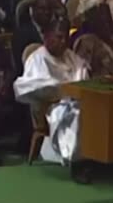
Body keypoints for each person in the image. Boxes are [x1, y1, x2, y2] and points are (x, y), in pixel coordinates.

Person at [14, 20, 89, 165]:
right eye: (59, 37)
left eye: (66, 38)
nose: (63, 42)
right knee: (76, 113)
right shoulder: (38, 58)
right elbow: (32, 86)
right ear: (47, 37)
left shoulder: (69, 55)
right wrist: (63, 90)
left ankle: (98, 154)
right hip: (51, 105)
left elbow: (82, 72)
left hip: (75, 99)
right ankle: (77, 161)